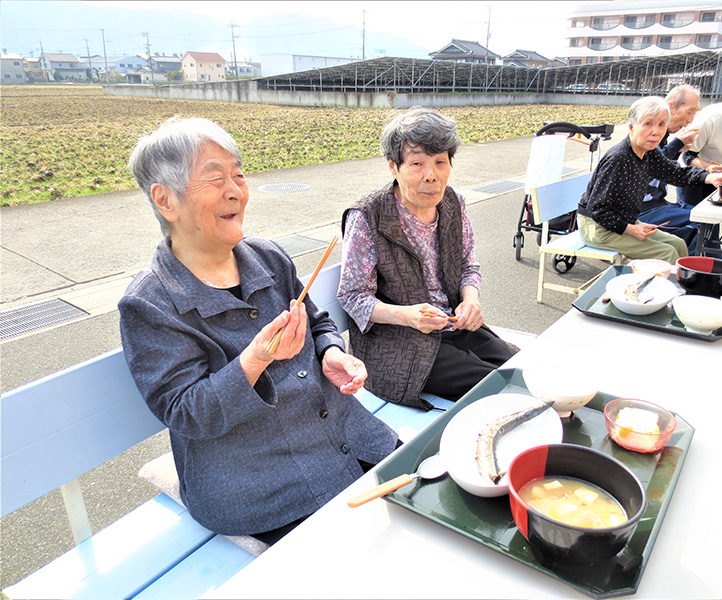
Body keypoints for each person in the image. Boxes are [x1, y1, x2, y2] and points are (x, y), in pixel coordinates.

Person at [119, 116, 397, 545]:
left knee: (430, 506)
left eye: (239, 173)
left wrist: (330, 353)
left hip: (349, 436)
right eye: (215, 178)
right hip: (263, 485)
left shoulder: (267, 257)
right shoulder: (150, 305)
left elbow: (318, 321)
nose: (236, 190)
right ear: (165, 200)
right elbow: (188, 412)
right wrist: (256, 358)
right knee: (371, 553)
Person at [337, 106, 516, 410]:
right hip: (398, 343)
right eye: (417, 163)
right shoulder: (368, 216)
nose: (431, 176)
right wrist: (407, 315)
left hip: (451, 325)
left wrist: (470, 301)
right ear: (394, 167)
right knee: (497, 388)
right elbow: (352, 296)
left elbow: (468, 266)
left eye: (440, 162)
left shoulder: (453, 203)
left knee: (520, 367)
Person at [577, 96, 722, 263]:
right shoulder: (618, 159)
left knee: (678, 244)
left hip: (624, 220)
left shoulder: (648, 152)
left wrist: (709, 176)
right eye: (648, 123)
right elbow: (597, 209)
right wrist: (632, 229)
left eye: (662, 124)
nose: (656, 131)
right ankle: (663, 287)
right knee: (667, 253)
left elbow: (675, 173)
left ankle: (678, 286)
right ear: (632, 127)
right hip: (599, 228)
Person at [637, 84, 719, 255]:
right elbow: (648, 167)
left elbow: (667, 172)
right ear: (671, 107)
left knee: (703, 216)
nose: (690, 120)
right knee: (702, 223)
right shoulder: (646, 136)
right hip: (641, 212)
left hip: (656, 205)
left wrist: (707, 174)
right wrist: (677, 144)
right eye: (690, 112)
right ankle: (701, 274)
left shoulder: (663, 137)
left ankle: (700, 271)